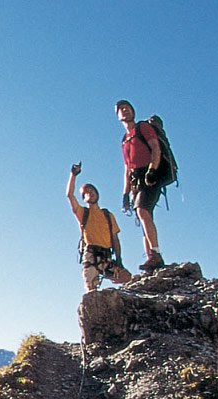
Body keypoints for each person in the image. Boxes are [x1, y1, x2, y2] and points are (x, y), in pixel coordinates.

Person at [116, 99, 165, 272]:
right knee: (143, 216)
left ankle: (156, 254)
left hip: (150, 176)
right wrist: (125, 194)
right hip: (136, 181)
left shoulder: (143, 127)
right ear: (117, 116)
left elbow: (155, 148)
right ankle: (151, 258)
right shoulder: (124, 140)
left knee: (142, 210)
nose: (125, 110)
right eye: (121, 109)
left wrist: (152, 170)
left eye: (127, 108)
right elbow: (127, 168)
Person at [66, 162, 129, 291]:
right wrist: (73, 175)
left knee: (127, 278)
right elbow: (70, 195)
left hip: (106, 256)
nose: (90, 192)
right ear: (84, 198)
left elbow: (115, 239)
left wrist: (119, 259)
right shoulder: (83, 213)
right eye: (86, 192)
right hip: (90, 255)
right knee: (91, 291)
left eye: (92, 190)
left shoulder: (107, 215)